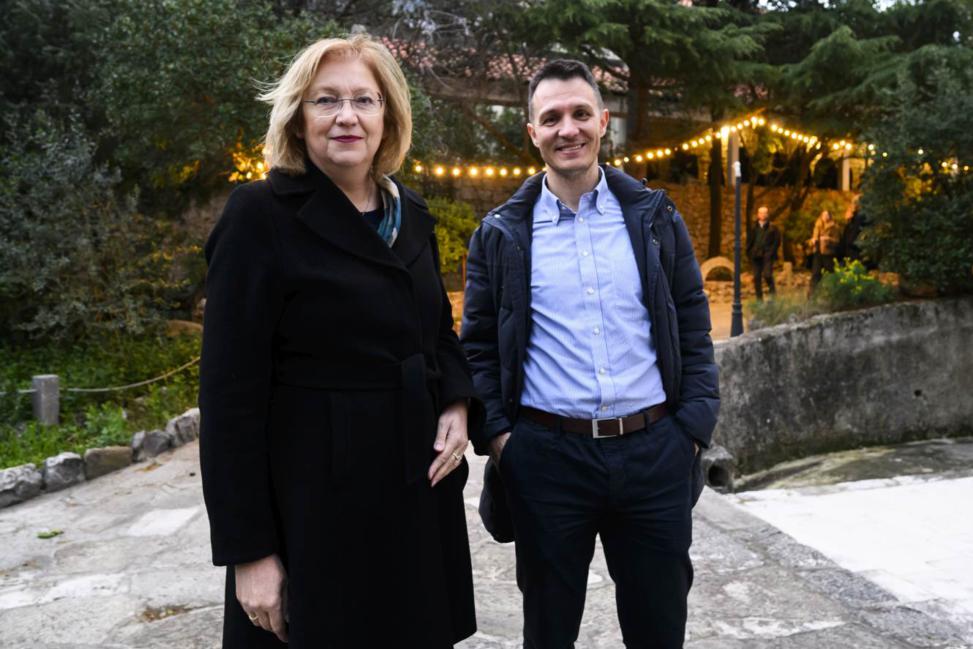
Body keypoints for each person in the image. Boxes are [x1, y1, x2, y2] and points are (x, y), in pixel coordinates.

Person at [198, 35, 481, 649]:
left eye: (363, 100)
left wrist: (457, 402)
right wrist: (250, 553)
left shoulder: (413, 214)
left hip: (413, 500)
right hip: (314, 511)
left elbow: (437, 331)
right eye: (326, 100)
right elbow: (228, 400)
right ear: (298, 117)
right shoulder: (259, 216)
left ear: (388, 116)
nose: (346, 116)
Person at [461, 59, 719, 649]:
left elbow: (692, 323)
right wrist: (503, 442)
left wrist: (691, 431)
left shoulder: (655, 217)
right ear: (533, 132)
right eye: (551, 118)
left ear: (603, 122)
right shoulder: (500, 234)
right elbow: (477, 347)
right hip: (548, 461)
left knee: (659, 632)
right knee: (549, 633)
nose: (567, 129)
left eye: (580, 113)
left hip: (655, 454)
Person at [746, 205, 781, 300]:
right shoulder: (754, 227)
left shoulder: (773, 228)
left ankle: (773, 295)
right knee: (756, 277)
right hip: (756, 255)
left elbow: (777, 241)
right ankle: (759, 300)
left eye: (764, 213)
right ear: (758, 214)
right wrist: (749, 252)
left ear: (767, 214)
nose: (763, 215)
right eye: (761, 213)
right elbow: (749, 241)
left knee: (767, 275)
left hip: (767, 255)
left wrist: (771, 252)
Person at [809, 209, 840, 290]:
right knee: (815, 273)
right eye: (824, 215)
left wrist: (828, 239)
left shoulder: (834, 227)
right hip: (817, 252)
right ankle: (812, 293)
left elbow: (837, 241)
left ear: (830, 216)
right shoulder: (817, 226)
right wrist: (812, 241)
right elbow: (813, 238)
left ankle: (831, 291)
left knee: (830, 273)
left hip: (828, 253)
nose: (825, 217)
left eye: (827, 215)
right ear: (821, 216)